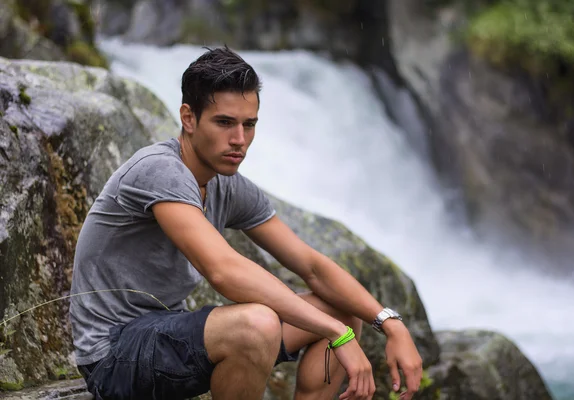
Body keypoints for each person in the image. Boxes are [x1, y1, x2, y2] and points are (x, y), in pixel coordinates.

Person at [69, 46, 423, 400]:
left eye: (248, 124)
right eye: (224, 123)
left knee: (344, 312)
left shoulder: (228, 185)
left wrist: (390, 324)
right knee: (258, 325)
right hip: (113, 354)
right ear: (189, 118)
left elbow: (312, 266)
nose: (239, 140)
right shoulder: (160, 170)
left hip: (169, 337)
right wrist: (335, 333)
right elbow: (222, 270)